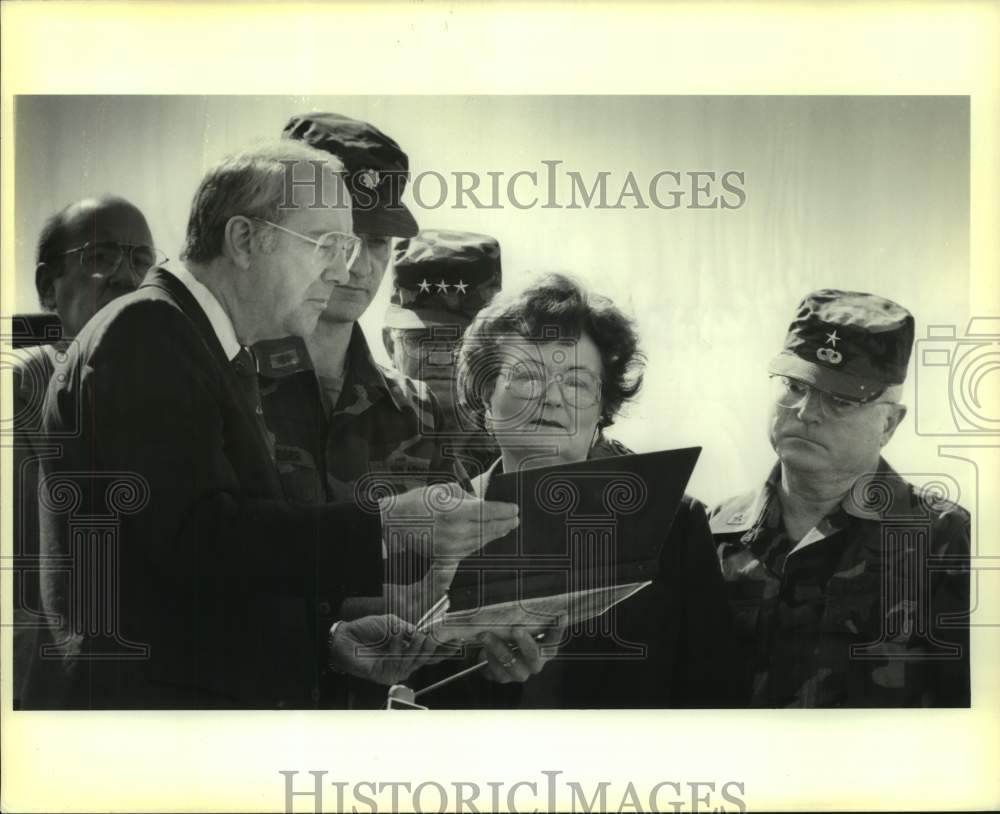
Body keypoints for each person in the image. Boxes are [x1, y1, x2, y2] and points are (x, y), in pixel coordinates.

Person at [28, 142, 519, 709]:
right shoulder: (148, 333)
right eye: (327, 245)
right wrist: (386, 528)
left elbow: (202, 581)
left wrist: (326, 644)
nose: (344, 269)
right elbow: (198, 540)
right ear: (243, 240)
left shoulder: (196, 341)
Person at [450, 273, 736, 707]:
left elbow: (712, 693)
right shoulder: (441, 525)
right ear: (485, 397)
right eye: (527, 377)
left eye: (578, 383)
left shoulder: (673, 526)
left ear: (604, 410)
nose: (552, 398)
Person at [709, 289, 970, 707]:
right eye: (795, 385)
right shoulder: (713, 532)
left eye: (841, 400)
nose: (806, 411)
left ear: (889, 423)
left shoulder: (946, 542)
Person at [12, 196, 162, 707]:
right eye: (100, 257)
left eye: (143, 261)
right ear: (47, 289)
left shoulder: (178, 390)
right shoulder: (24, 385)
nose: (128, 277)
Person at [382, 228, 504, 473]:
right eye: (420, 339)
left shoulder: (521, 449)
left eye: (459, 340)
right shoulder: (353, 441)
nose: (438, 357)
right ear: (389, 345)